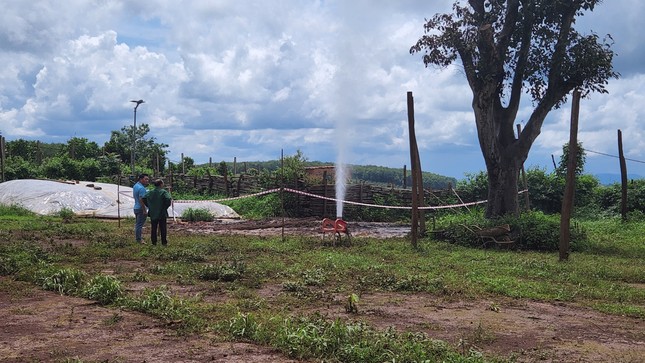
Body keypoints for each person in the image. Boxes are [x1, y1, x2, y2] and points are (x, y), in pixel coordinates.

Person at [143, 179, 172, 246]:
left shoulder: (150, 192)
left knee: (153, 228)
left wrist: (149, 205)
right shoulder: (163, 192)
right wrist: (165, 207)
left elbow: (144, 198)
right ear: (161, 184)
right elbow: (168, 199)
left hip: (153, 213)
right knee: (163, 228)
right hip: (162, 213)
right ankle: (164, 242)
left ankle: (154, 242)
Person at [132, 173, 150, 244]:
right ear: (141, 179)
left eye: (148, 179)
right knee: (139, 225)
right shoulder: (142, 188)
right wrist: (144, 210)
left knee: (137, 224)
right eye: (145, 179)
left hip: (136, 207)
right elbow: (141, 200)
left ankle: (138, 237)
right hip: (140, 208)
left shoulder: (135, 186)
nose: (147, 180)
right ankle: (139, 239)